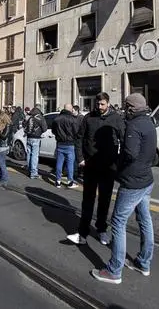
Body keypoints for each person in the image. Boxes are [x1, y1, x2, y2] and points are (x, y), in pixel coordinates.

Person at [91, 93, 156, 284]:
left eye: (126, 107)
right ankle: (143, 262)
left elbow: (130, 153)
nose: (124, 110)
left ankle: (114, 270)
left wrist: (119, 163)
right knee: (145, 219)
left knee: (118, 222)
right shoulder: (149, 122)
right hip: (147, 180)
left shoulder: (133, 126)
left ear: (130, 108)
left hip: (132, 182)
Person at [67, 92, 125, 246]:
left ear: (108, 103)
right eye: (97, 104)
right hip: (90, 165)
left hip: (108, 166)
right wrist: (80, 158)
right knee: (88, 200)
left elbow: (124, 139)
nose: (99, 107)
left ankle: (101, 229)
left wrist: (118, 162)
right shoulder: (88, 118)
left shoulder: (116, 119)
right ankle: (83, 232)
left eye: (102, 104)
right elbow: (79, 138)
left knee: (104, 200)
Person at [52, 103, 81, 188]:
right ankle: (70, 182)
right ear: (70, 109)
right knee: (70, 164)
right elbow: (76, 132)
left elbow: (54, 131)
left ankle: (58, 181)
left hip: (60, 143)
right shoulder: (73, 119)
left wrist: (59, 136)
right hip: (70, 144)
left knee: (59, 162)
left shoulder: (57, 119)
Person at [23, 106, 47, 179]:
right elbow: (45, 128)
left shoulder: (29, 117)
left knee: (29, 154)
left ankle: (29, 170)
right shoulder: (40, 117)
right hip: (36, 138)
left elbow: (24, 126)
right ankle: (33, 173)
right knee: (34, 156)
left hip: (29, 137)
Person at [0, 110, 12, 187]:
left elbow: (4, 137)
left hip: (3, 146)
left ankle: (4, 179)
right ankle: (2, 178)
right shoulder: (4, 125)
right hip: (1, 146)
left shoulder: (7, 125)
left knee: (1, 164)